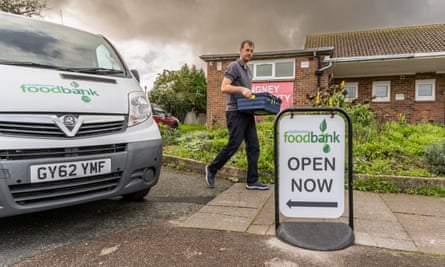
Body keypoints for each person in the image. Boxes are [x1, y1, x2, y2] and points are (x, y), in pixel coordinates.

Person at [205, 40, 269, 190]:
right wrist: (241, 89)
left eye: (252, 51)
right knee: (234, 144)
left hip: (247, 112)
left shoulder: (248, 71)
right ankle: (212, 169)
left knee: (254, 146)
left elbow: (246, 93)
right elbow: (224, 87)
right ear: (240, 50)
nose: (249, 53)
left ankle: (252, 180)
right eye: (247, 50)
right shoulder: (234, 66)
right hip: (235, 112)